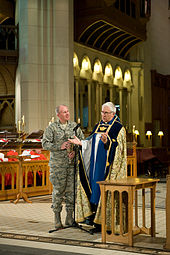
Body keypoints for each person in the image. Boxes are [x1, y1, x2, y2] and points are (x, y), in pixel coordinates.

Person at [69, 102, 127, 231]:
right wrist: (81, 143)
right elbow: (90, 142)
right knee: (94, 189)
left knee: (104, 191)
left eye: (106, 113)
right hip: (95, 165)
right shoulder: (98, 126)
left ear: (113, 113)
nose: (103, 115)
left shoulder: (118, 128)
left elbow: (120, 149)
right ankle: (95, 220)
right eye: (102, 112)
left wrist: (108, 143)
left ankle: (105, 223)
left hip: (108, 167)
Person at [42, 104, 84, 230]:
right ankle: (57, 219)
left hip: (72, 165)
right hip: (58, 166)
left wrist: (75, 151)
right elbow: (45, 144)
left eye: (68, 111)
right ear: (58, 115)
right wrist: (59, 146)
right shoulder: (52, 128)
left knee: (71, 193)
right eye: (64, 112)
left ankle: (69, 218)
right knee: (59, 192)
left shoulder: (74, 127)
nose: (67, 114)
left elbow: (82, 141)